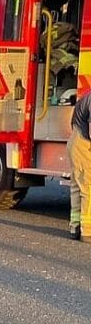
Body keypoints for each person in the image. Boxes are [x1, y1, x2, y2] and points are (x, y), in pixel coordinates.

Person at [69, 91, 91, 241]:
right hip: (83, 143)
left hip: (76, 141)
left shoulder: (87, 96)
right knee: (88, 187)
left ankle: (75, 226)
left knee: (77, 186)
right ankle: (87, 231)